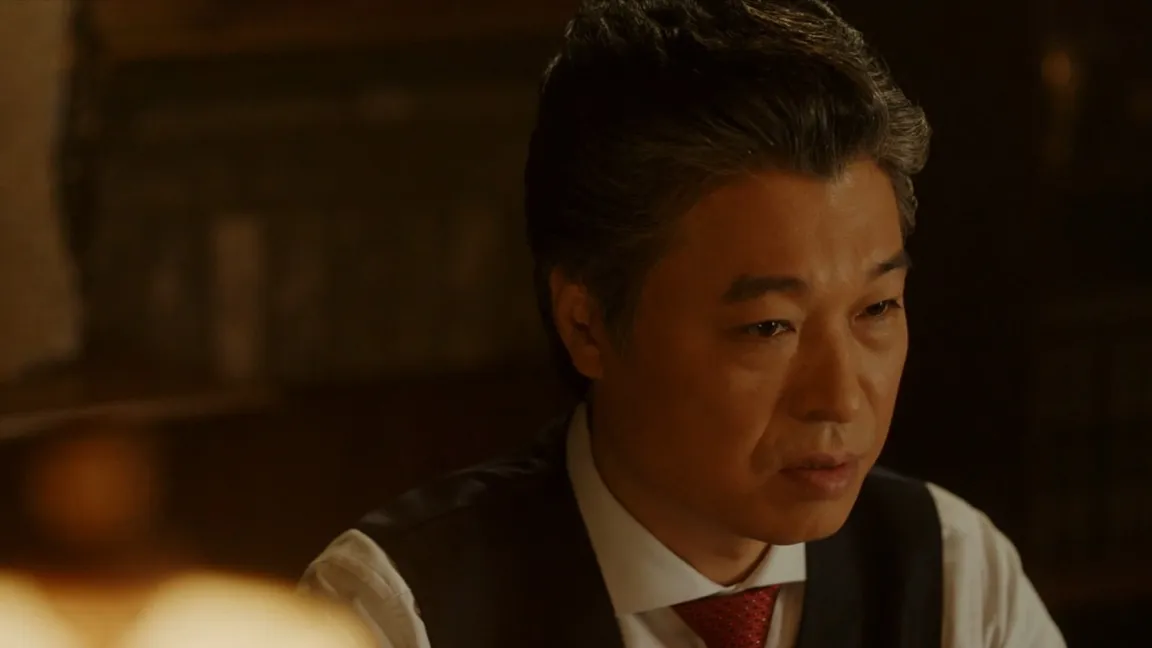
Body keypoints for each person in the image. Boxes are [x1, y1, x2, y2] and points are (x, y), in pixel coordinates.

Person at [300, 1, 1066, 646]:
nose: (839, 398)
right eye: (769, 327)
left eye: (876, 309)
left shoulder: (954, 577)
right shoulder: (396, 611)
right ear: (588, 326)